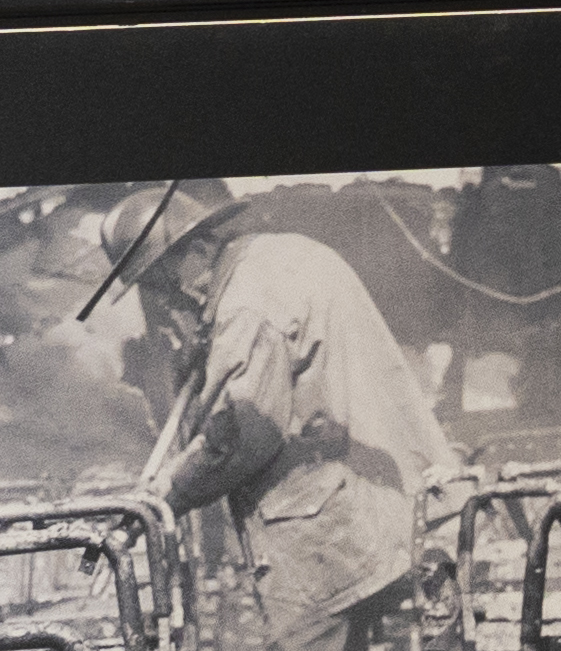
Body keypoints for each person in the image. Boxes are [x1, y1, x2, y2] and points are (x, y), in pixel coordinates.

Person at [106, 179, 447, 651]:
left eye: (161, 279)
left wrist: (170, 490)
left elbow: (244, 433)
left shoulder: (246, 305)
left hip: (331, 537)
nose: (167, 298)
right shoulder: (280, 256)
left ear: (196, 247)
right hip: (391, 503)